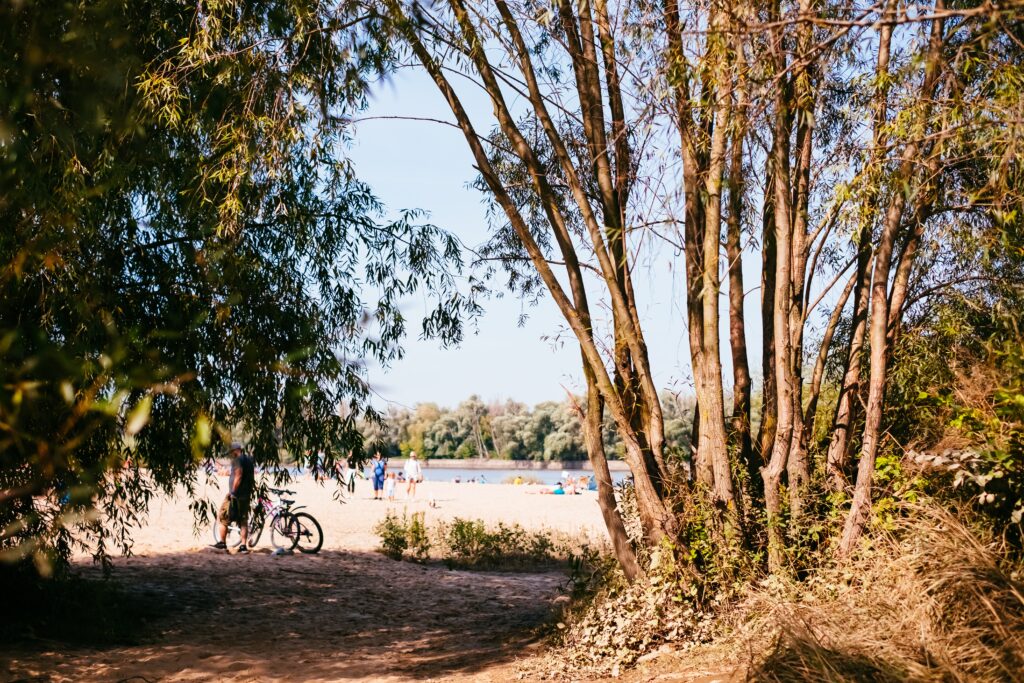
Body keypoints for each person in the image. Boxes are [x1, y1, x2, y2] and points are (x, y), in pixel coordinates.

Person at [214, 442, 255, 553]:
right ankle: (243, 546)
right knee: (243, 520)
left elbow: (239, 475)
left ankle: (222, 543)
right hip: (245, 495)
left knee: (223, 516)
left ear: (235, 450)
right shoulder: (249, 460)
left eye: (231, 452)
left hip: (236, 495)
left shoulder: (238, 460)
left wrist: (233, 492)